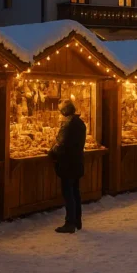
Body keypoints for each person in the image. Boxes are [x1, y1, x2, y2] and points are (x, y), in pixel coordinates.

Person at [48, 100, 86, 233]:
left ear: (64, 111)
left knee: (68, 193)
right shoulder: (80, 123)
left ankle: (70, 223)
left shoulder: (68, 124)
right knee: (75, 192)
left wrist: (51, 152)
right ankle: (77, 221)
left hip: (67, 164)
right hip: (77, 163)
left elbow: (61, 145)